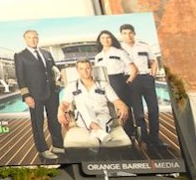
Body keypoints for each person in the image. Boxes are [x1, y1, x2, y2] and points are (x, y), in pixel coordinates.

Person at [90, 29, 146, 151]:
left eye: (108, 37)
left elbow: (133, 69)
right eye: (103, 38)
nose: (106, 40)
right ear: (100, 41)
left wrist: (128, 81)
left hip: (118, 81)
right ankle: (112, 135)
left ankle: (130, 134)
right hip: (103, 83)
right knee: (108, 110)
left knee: (123, 109)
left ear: (112, 39)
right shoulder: (98, 56)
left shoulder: (120, 52)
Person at [13, 30, 64, 159]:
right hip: (34, 95)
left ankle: (58, 145)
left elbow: (55, 70)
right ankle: (43, 149)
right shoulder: (20, 56)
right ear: (25, 39)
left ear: (38, 38)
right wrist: (26, 96)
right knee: (38, 122)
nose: (33, 40)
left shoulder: (46, 53)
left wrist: (57, 85)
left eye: (35, 37)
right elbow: (20, 77)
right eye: (30, 38)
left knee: (54, 120)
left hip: (52, 92)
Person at [117, 23, 166, 155]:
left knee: (154, 110)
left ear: (134, 33)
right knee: (138, 112)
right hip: (131, 80)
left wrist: (152, 75)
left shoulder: (144, 45)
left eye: (130, 33)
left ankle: (155, 138)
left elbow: (153, 61)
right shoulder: (119, 49)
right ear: (121, 35)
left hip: (146, 78)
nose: (128, 35)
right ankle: (144, 139)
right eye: (125, 33)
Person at [59, 60, 127, 149]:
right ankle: (99, 132)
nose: (85, 71)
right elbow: (64, 103)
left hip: (103, 115)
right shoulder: (72, 86)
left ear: (91, 69)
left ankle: (95, 137)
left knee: (101, 121)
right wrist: (60, 111)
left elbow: (116, 101)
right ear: (78, 70)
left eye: (87, 68)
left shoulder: (103, 85)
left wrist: (122, 106)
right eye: (82, 69)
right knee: (83, 105)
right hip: (82, 116)